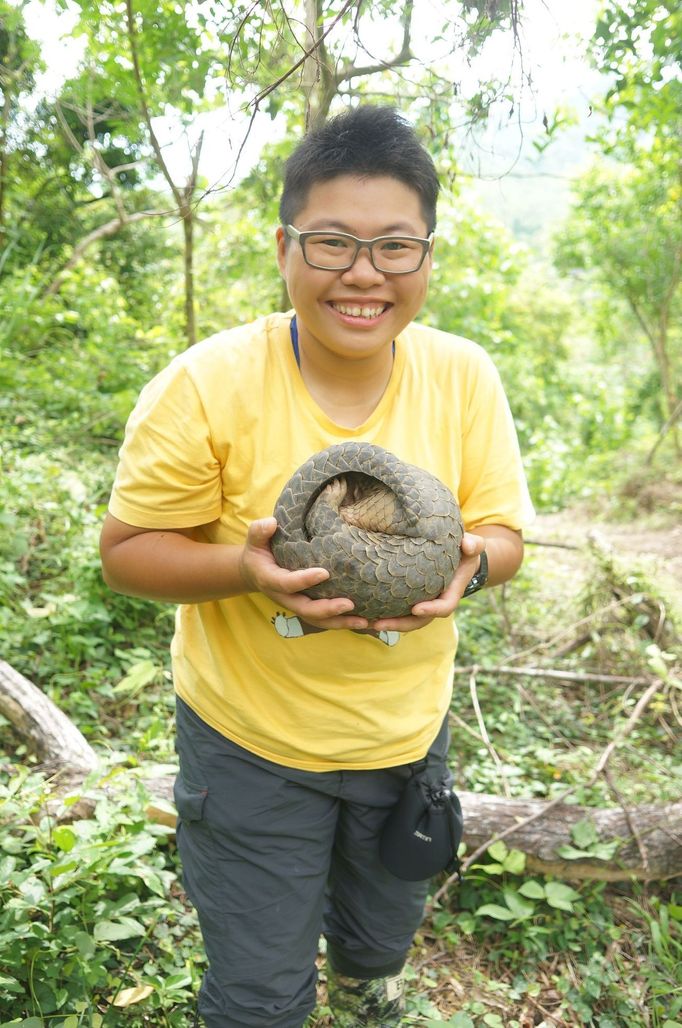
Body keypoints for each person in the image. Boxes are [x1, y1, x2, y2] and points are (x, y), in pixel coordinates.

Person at [100, 105, 534, 1028]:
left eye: (396, 247)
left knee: (379, 941)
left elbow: (504, 534)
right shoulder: (206, 384)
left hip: (405, 740)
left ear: (427, 256)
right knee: (259, 999)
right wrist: (247, 573)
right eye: (332, 242)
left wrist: (471, 568)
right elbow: (128, 555)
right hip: (248, 745)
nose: (364, 274)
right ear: (285, 246)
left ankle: (362, 983)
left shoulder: (463, 378)